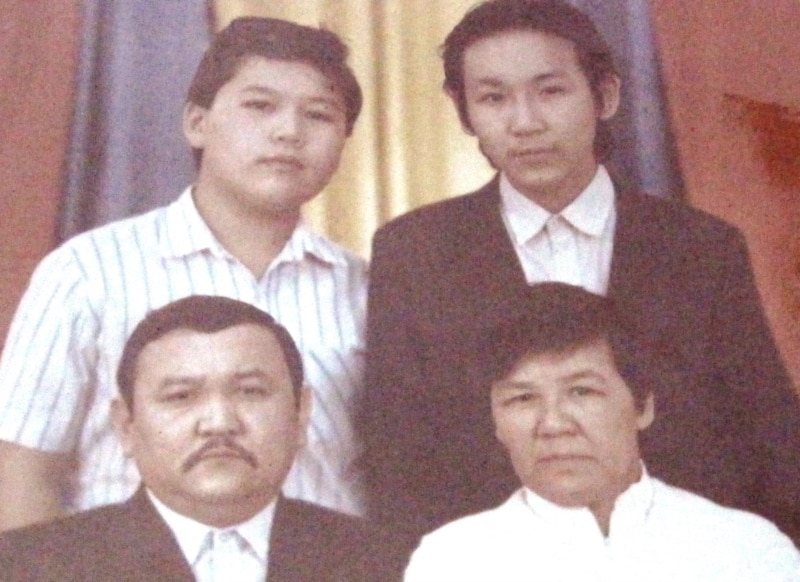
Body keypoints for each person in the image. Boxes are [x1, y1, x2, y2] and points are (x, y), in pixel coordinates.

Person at [359, 0, 800, 542]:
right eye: (494, 98)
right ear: (464, 111)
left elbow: (768, 433)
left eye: (550, 91)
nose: (525, 123)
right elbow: (397, 456)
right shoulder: (415, 252)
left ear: (605, 95)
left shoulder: (701, 247)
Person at [0, 17, 368, 530]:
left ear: (344, 142)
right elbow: (22, 471)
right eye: (260, 106)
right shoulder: (87, 271)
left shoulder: (367, 289)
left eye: (319, 115)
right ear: (197, 122)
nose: (289, 131)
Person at [404, 283, 800, 581]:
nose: (553, 424)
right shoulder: (452, 561)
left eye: (582, 392)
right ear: (495, 422)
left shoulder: (745, 550)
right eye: (523, 398)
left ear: (642, 407)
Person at [0, 296, 404, 581]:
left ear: (301, 414)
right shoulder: (27, 568)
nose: (218, 423)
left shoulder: (395, 566)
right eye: (181, 396)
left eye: (250, 391)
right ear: (126, 426)